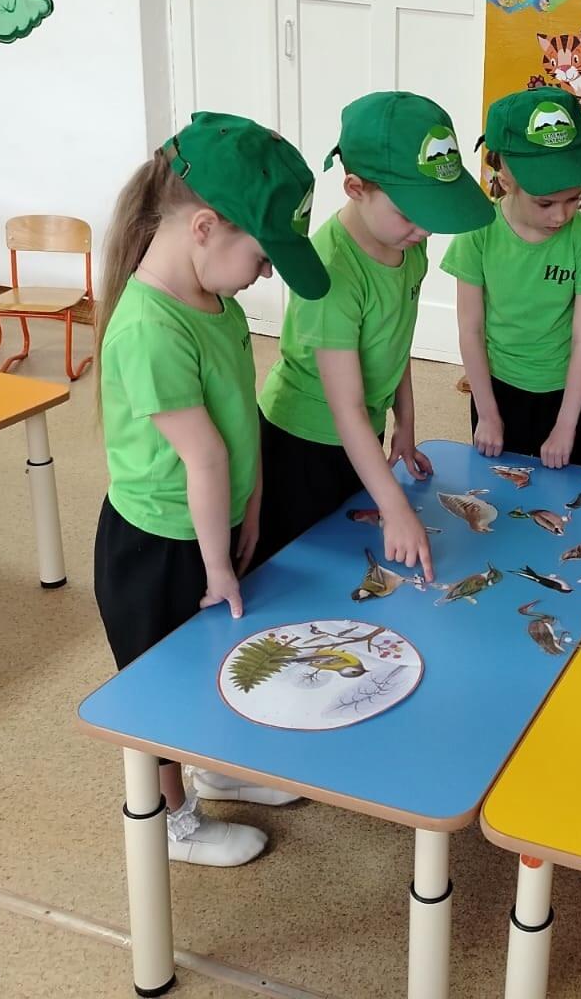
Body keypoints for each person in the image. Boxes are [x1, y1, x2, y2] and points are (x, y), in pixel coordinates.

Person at [93, 112, 330, 866]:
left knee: (213, 666)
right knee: (161, 691)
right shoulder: (150, 328)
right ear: (204, 228)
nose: (266, 275)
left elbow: (239, 418)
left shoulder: (215, 301)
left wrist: (251, 508)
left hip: (211, 526)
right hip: (159, 546)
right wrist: (219, 563)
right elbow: (202, 457)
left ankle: (217, 766)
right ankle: (171, 818)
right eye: (262, 255)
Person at [254, 92, 492, 570]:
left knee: (351, 551)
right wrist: (395, 507)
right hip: (303, 440)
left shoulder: (409, 245)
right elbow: (344, 409)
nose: (425, 230)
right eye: (410, 212)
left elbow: (395, 341)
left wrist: (405, 422)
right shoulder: (333, 271)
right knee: (301, 566)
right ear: (355, 188)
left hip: (363, 429)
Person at [443, 87, 581, 468]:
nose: (561, 216)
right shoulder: (477, 233)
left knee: (580, 496)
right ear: (505, 179)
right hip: (498, 393)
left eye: (574, 200)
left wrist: (566, 425)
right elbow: (470, 330)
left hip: (571, 395)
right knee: (502, 491)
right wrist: (488, 414)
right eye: (545, 203)